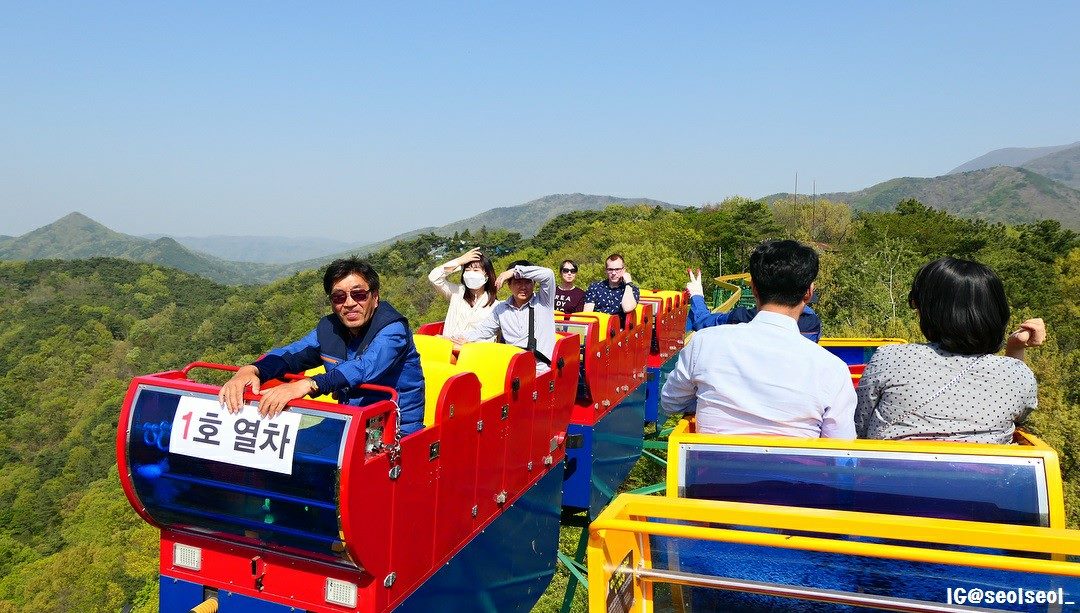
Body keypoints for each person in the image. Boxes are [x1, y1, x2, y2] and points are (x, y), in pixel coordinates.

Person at [661, 240, 855, 438]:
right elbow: (840, 446)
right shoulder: (833, 370)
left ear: (753, 288)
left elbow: (669, 402)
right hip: (791, 469)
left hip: (713, 467)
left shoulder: (704, 343)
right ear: (809, 292)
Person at [218, 258, 426, 434]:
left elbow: (364, 367)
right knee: (294, 453)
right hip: (350, 422)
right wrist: (252, 369)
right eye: (339, 297)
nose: (350, 303)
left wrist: (308, 385)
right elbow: (292, 354)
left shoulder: (393, 329)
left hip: (395, 430)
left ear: (375, 297)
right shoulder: (330, 329)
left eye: (359, 295)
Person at [855, 257, 1045, 444]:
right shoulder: (1017, 375)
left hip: (888, 474)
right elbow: (1019, 416)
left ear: (931, 311)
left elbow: (858, 426)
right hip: (982, 475)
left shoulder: (890, 358)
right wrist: (1015, 347)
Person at [453, 260, 556, 374]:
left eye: (527, 282)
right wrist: (456, 338)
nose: (523, 287)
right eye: (517, 282)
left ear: (534, 284)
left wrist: (514, 272)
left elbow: (548, 275)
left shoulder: (544, 302)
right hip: (512, 368)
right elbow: (483, 331)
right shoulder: (501, 309)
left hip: (539, 371)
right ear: (509, 285)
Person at [685, 268, 822, 342]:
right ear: (808, 292)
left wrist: (697, 295)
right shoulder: (812, 323)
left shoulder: (742, 318)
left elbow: (702, 322)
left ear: (754, 289)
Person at [428, 248, 498, 340]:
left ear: (487, 275)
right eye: (467, 270)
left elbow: (490, 337)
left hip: (473, 352)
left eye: (476, 270)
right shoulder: (456, 292)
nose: (471, 274)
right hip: (447, 351)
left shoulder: (495, 306)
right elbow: (434, 277)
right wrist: (459, 261)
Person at [584, 253, 639, 326]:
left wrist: (628, 283)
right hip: (598, 328)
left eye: (617, 269)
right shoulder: (595, 287)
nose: (613, 273)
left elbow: (627, 308)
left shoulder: (632, 289)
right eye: (610, 269)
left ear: (623, 270)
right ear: (606, 270)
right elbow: (587, 314)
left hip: (619, 332)